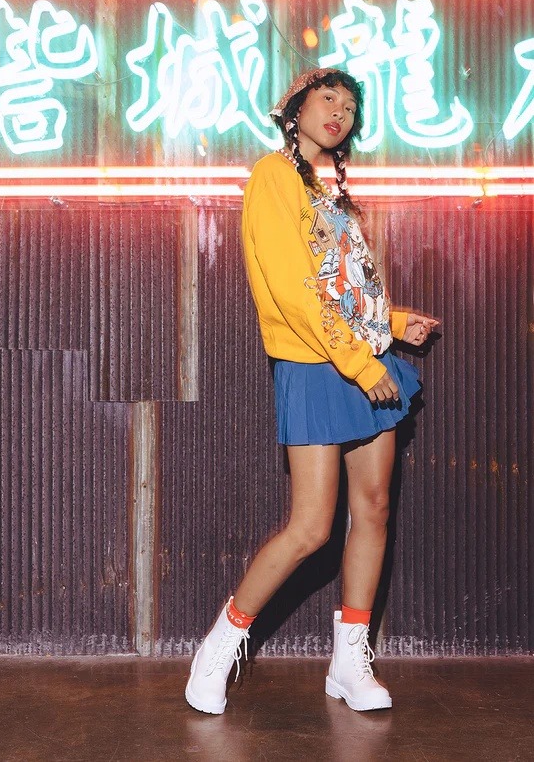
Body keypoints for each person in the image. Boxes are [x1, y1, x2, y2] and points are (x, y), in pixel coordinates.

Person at [185, 68, 438, 716]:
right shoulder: (272, 177)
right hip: (318, 363)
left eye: (349, 106)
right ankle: (220, 644)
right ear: (295, 109)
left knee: (374, 508)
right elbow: (295, 291)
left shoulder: (330, 193)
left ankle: (349, 662)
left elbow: (343, 288)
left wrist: (394, 323)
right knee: (310, 526)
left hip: (365, 357)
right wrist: (358, 362)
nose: (339, 112)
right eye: (328, 98)